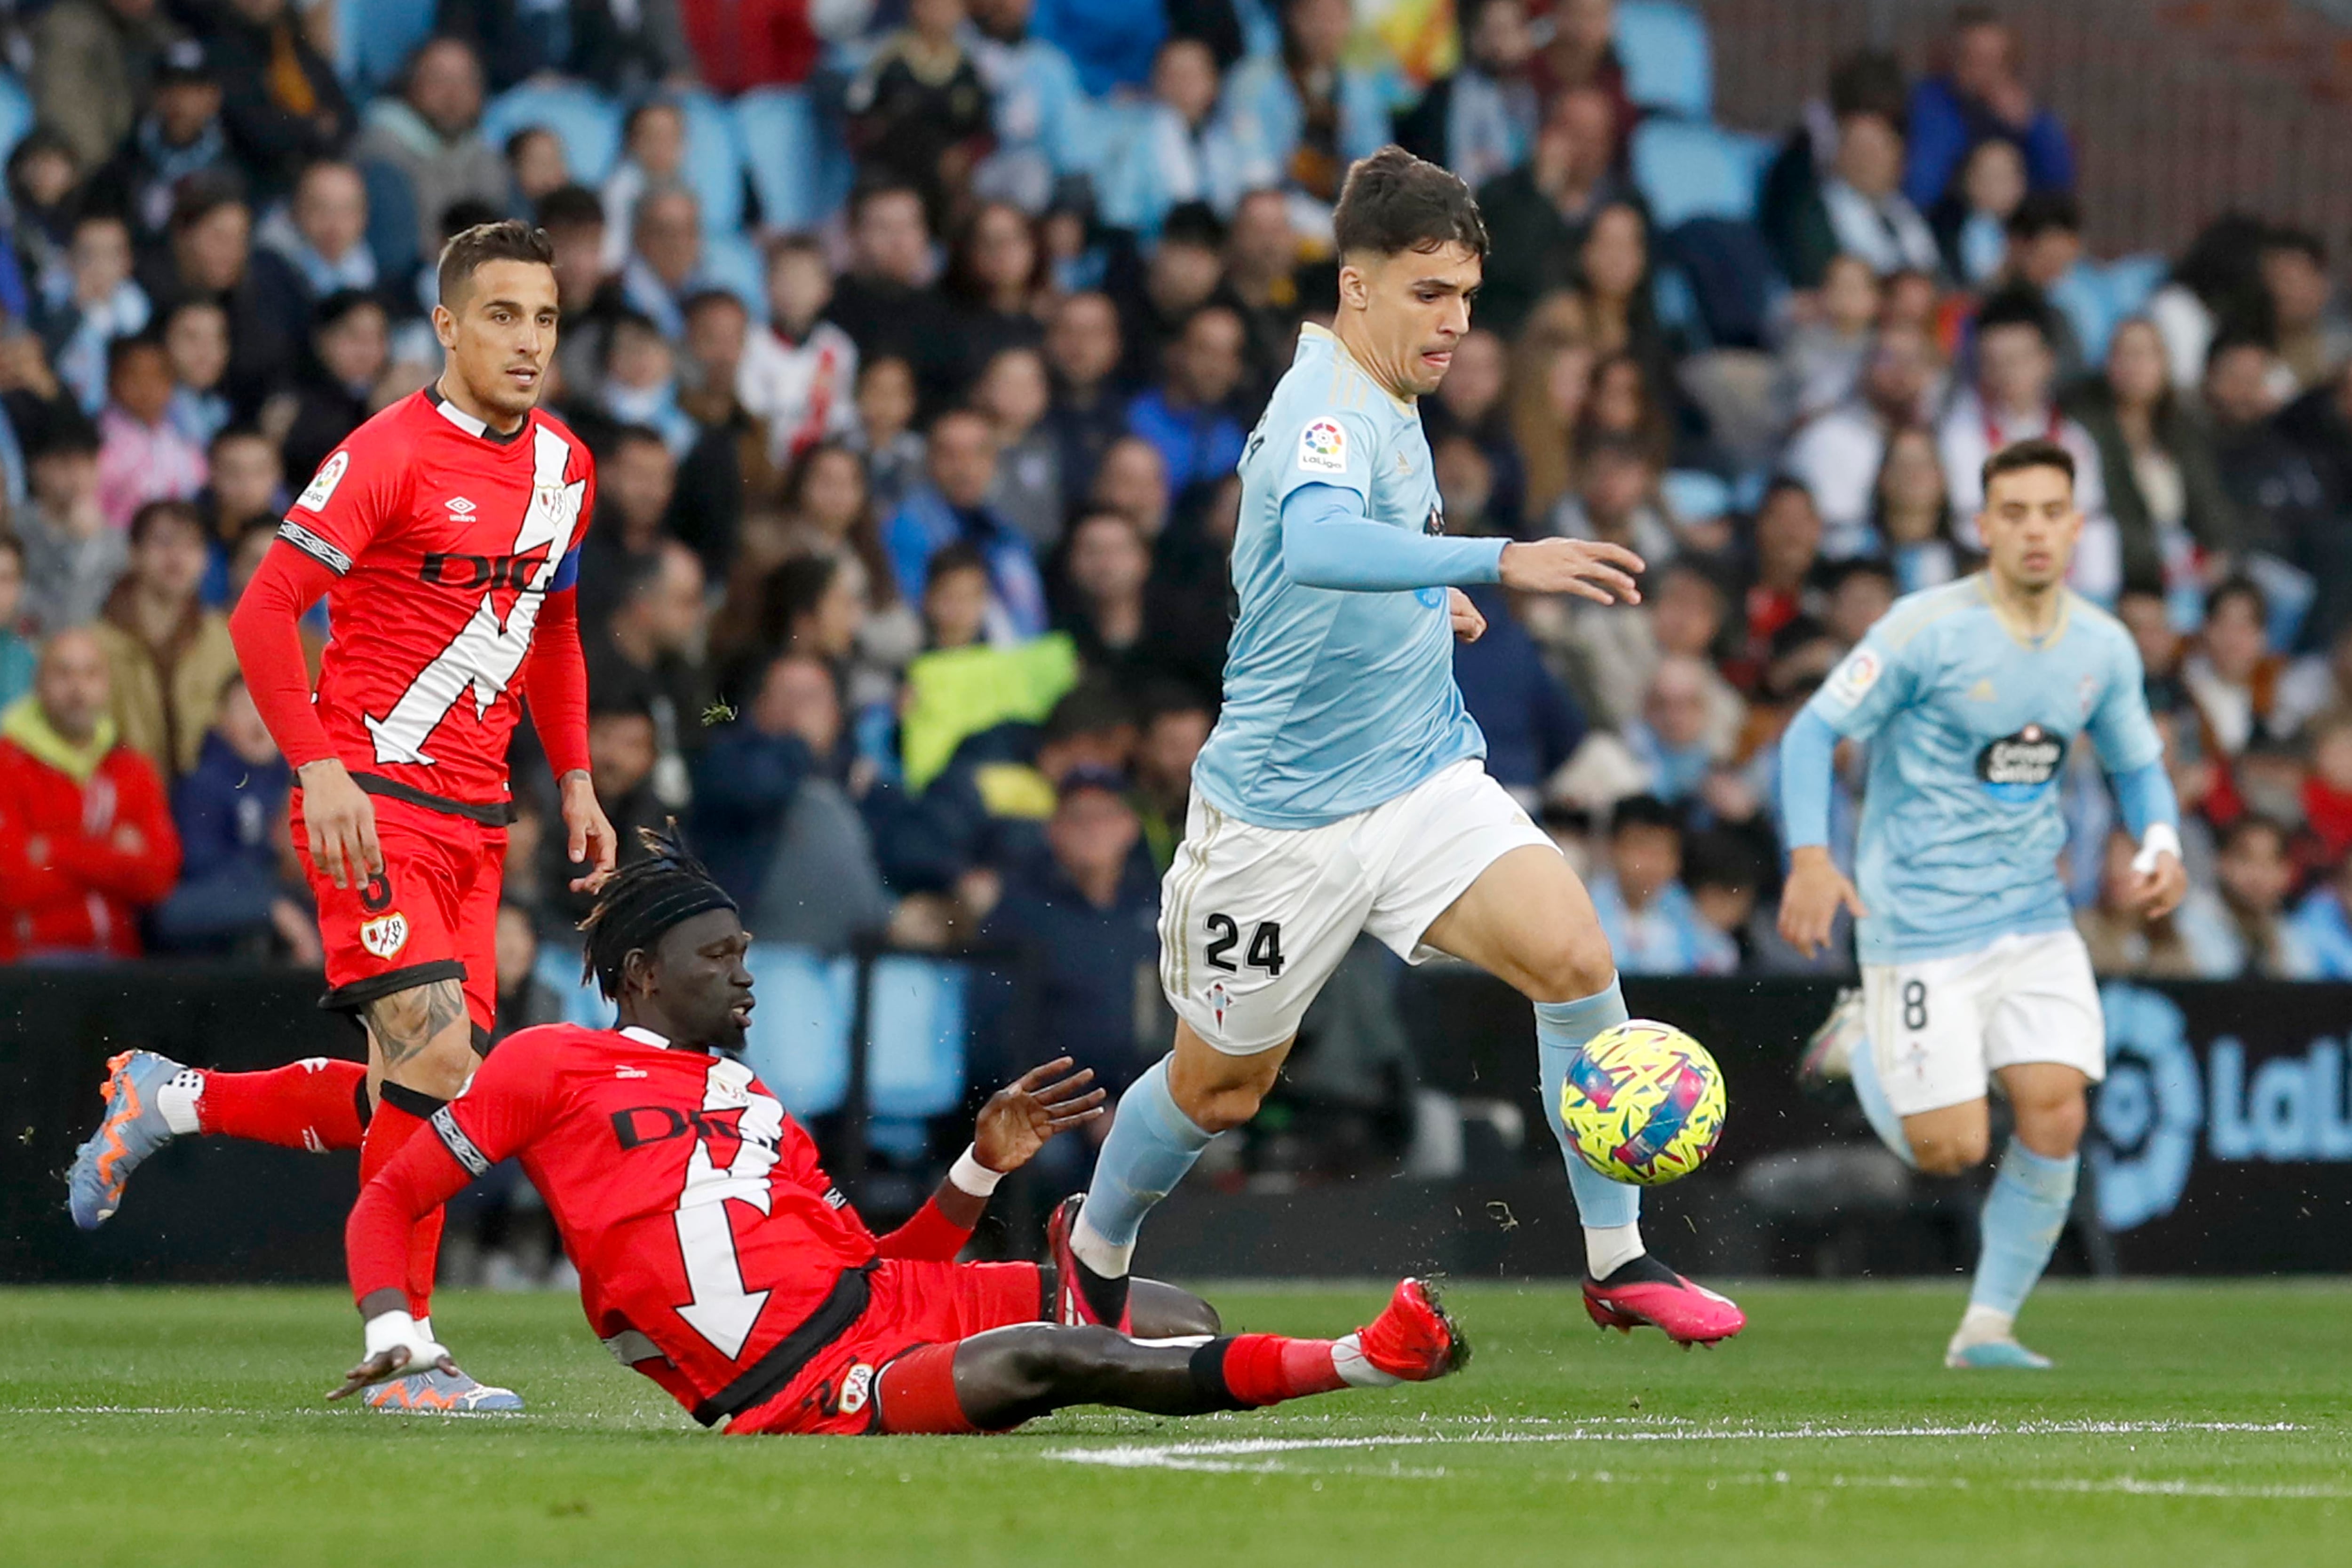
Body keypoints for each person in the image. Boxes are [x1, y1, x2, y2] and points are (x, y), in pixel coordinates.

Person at [1051, 147, 1743, 1347]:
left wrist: (1428, 601)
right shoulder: (1328, 405)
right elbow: (1318, 539)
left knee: (1576, 956)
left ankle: (1616, 1258)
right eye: (1430, 293)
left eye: (1468, 297)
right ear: (1355, 285)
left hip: (1421, 777)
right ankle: (1093, 1244)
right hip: (1277, 820)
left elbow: (1338, 558)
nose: (1457, 323)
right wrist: (1493, 559)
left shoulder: (1390, 394)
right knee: (1221, 1087)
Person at [322, 830, 1465, 1428]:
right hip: (789, 1384)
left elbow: (884, 1267)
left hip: (872, 1309)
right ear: (637, 972)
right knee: (1060, 1348)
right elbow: (390, 1195)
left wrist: (978, 1164)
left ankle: (1079, 1314)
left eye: (746, 956)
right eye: (717, 959)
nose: (744, 979)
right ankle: (1364, 1358)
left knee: (1175, 1317)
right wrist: (396, 1336)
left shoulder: (756, 1101)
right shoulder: (548, 1063)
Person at [66, 221, 619, 1417]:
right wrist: (316, 770)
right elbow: (265, 615)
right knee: (436, 1059)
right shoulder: (387, 452)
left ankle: (170, 1098)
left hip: (480, 816)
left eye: (545, 319)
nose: (527, 341)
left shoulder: (568, 469)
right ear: (448, 325)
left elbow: (558, 630)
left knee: (412, 1095)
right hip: (373, 802)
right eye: (503, 316)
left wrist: (573, 776)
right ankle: (401, 1351)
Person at [1777, 438, 2186, 1370]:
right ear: (1983, 524)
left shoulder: (2101, 646)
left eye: (2051, 512)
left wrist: (2159, 842)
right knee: (1948, 1148)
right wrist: (1809, 855)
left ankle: (1986, 1326)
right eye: (2014, 512)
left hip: (2033, 915)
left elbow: (2135, 764)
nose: (2034, 529)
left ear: (2077, 527)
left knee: (2057, 1112)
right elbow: (1812, 732)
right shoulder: (1925, 630)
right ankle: (1863, 1037)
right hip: (1916, 924)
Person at [0, 626, 182, 959]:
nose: (78, 689)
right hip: (30, 964)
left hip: (118, 961)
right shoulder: (6, 764)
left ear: (108, 686)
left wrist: (53, 851)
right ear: (38, 684)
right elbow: (11, 883)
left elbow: (159, 876)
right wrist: (114, 855)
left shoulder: (132, 768)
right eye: (63, 673)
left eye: (91, 674)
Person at [92, 499, 240, 780]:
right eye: (163, 543)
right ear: (134, 553)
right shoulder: (97, 644)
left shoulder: (223, 641)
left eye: (191, 546)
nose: (177, 557)